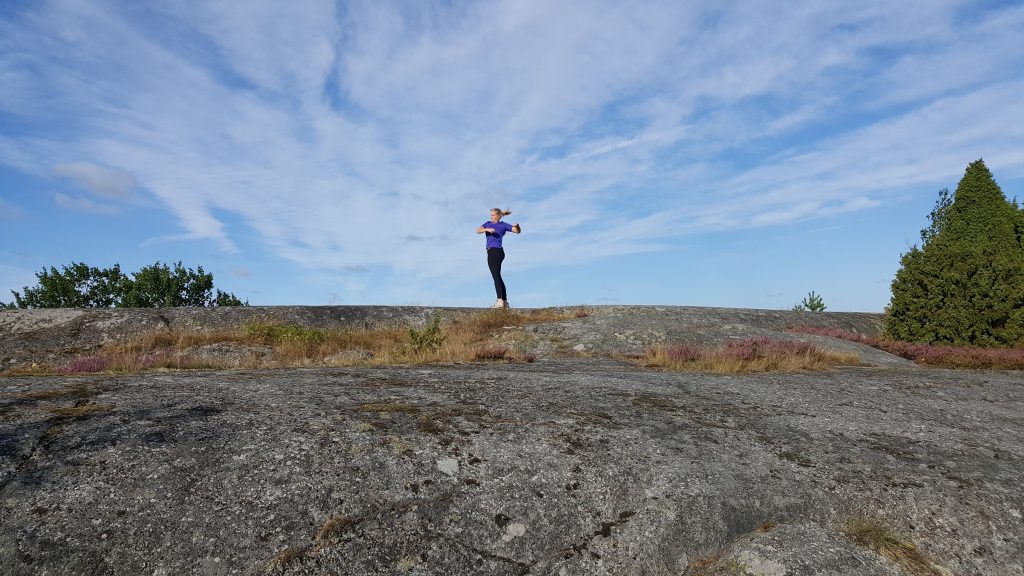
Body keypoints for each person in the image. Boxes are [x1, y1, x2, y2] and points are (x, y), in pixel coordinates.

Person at [476, 208, 521, 308]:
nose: (491, 217)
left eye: (492, 215)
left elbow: (517, 231)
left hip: (496, 252)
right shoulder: (487, 223)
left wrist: (517, 227)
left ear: (498, 216)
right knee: (498, 276)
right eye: (491, 215)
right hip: (492, 251)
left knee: (495, 275)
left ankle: (500, 301)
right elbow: (477, 230)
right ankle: (504, 301)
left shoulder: (503, 225)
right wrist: (486, 229)